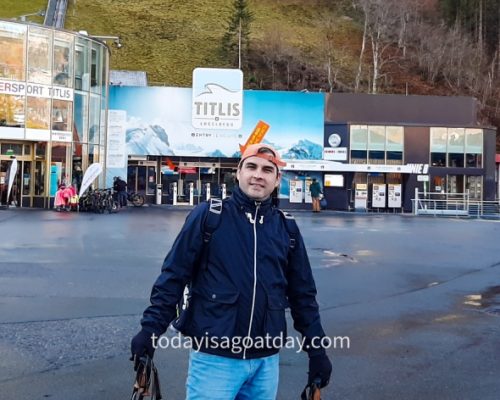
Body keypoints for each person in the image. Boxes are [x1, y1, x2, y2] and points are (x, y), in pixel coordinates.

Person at [131, 143, 332, 399]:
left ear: (277, 179)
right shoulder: (209, 217)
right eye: (251, 166)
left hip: (265, 363)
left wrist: (317, 351)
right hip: (215, 361)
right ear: (238, 173)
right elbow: (174, 276)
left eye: (267, 170)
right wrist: (150, 331)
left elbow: (303, 296)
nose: (258, 175)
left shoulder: (287, 229)